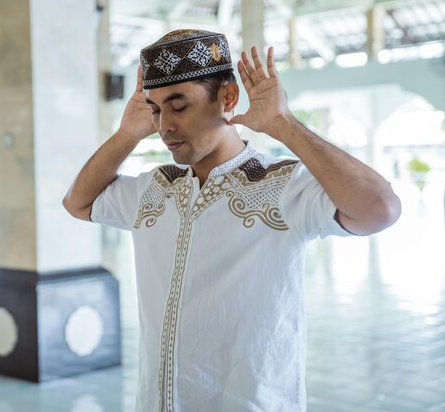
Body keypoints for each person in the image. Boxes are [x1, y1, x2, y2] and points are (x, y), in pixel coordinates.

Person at [63, 29, 401, 412]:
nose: (163, 126)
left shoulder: (282, 186)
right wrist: (127, 133)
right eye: (156, 109)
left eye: (179, 105)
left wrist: (283, 124)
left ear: (228, 98)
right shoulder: (154, 190)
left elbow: (379, 209)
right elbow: (78, 203)